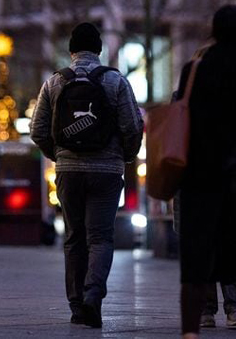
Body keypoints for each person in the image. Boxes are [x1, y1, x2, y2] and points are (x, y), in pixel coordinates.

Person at [31, 22, 143, 329]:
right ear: (100, 50)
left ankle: (76, 305)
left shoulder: (55, 81)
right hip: (107, 171)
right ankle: (94, 295)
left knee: (74, 237)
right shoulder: (115, 80)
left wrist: (59, 156)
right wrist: (126, 156)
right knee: (100, 237)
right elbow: (133, 126)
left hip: (69, 171)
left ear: (71, 51)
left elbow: (37, 130)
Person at [176, 6, 236, 339]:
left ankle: (191, 332)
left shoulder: (192, 70)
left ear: (213, 32)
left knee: (196, 264)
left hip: (199, 178)